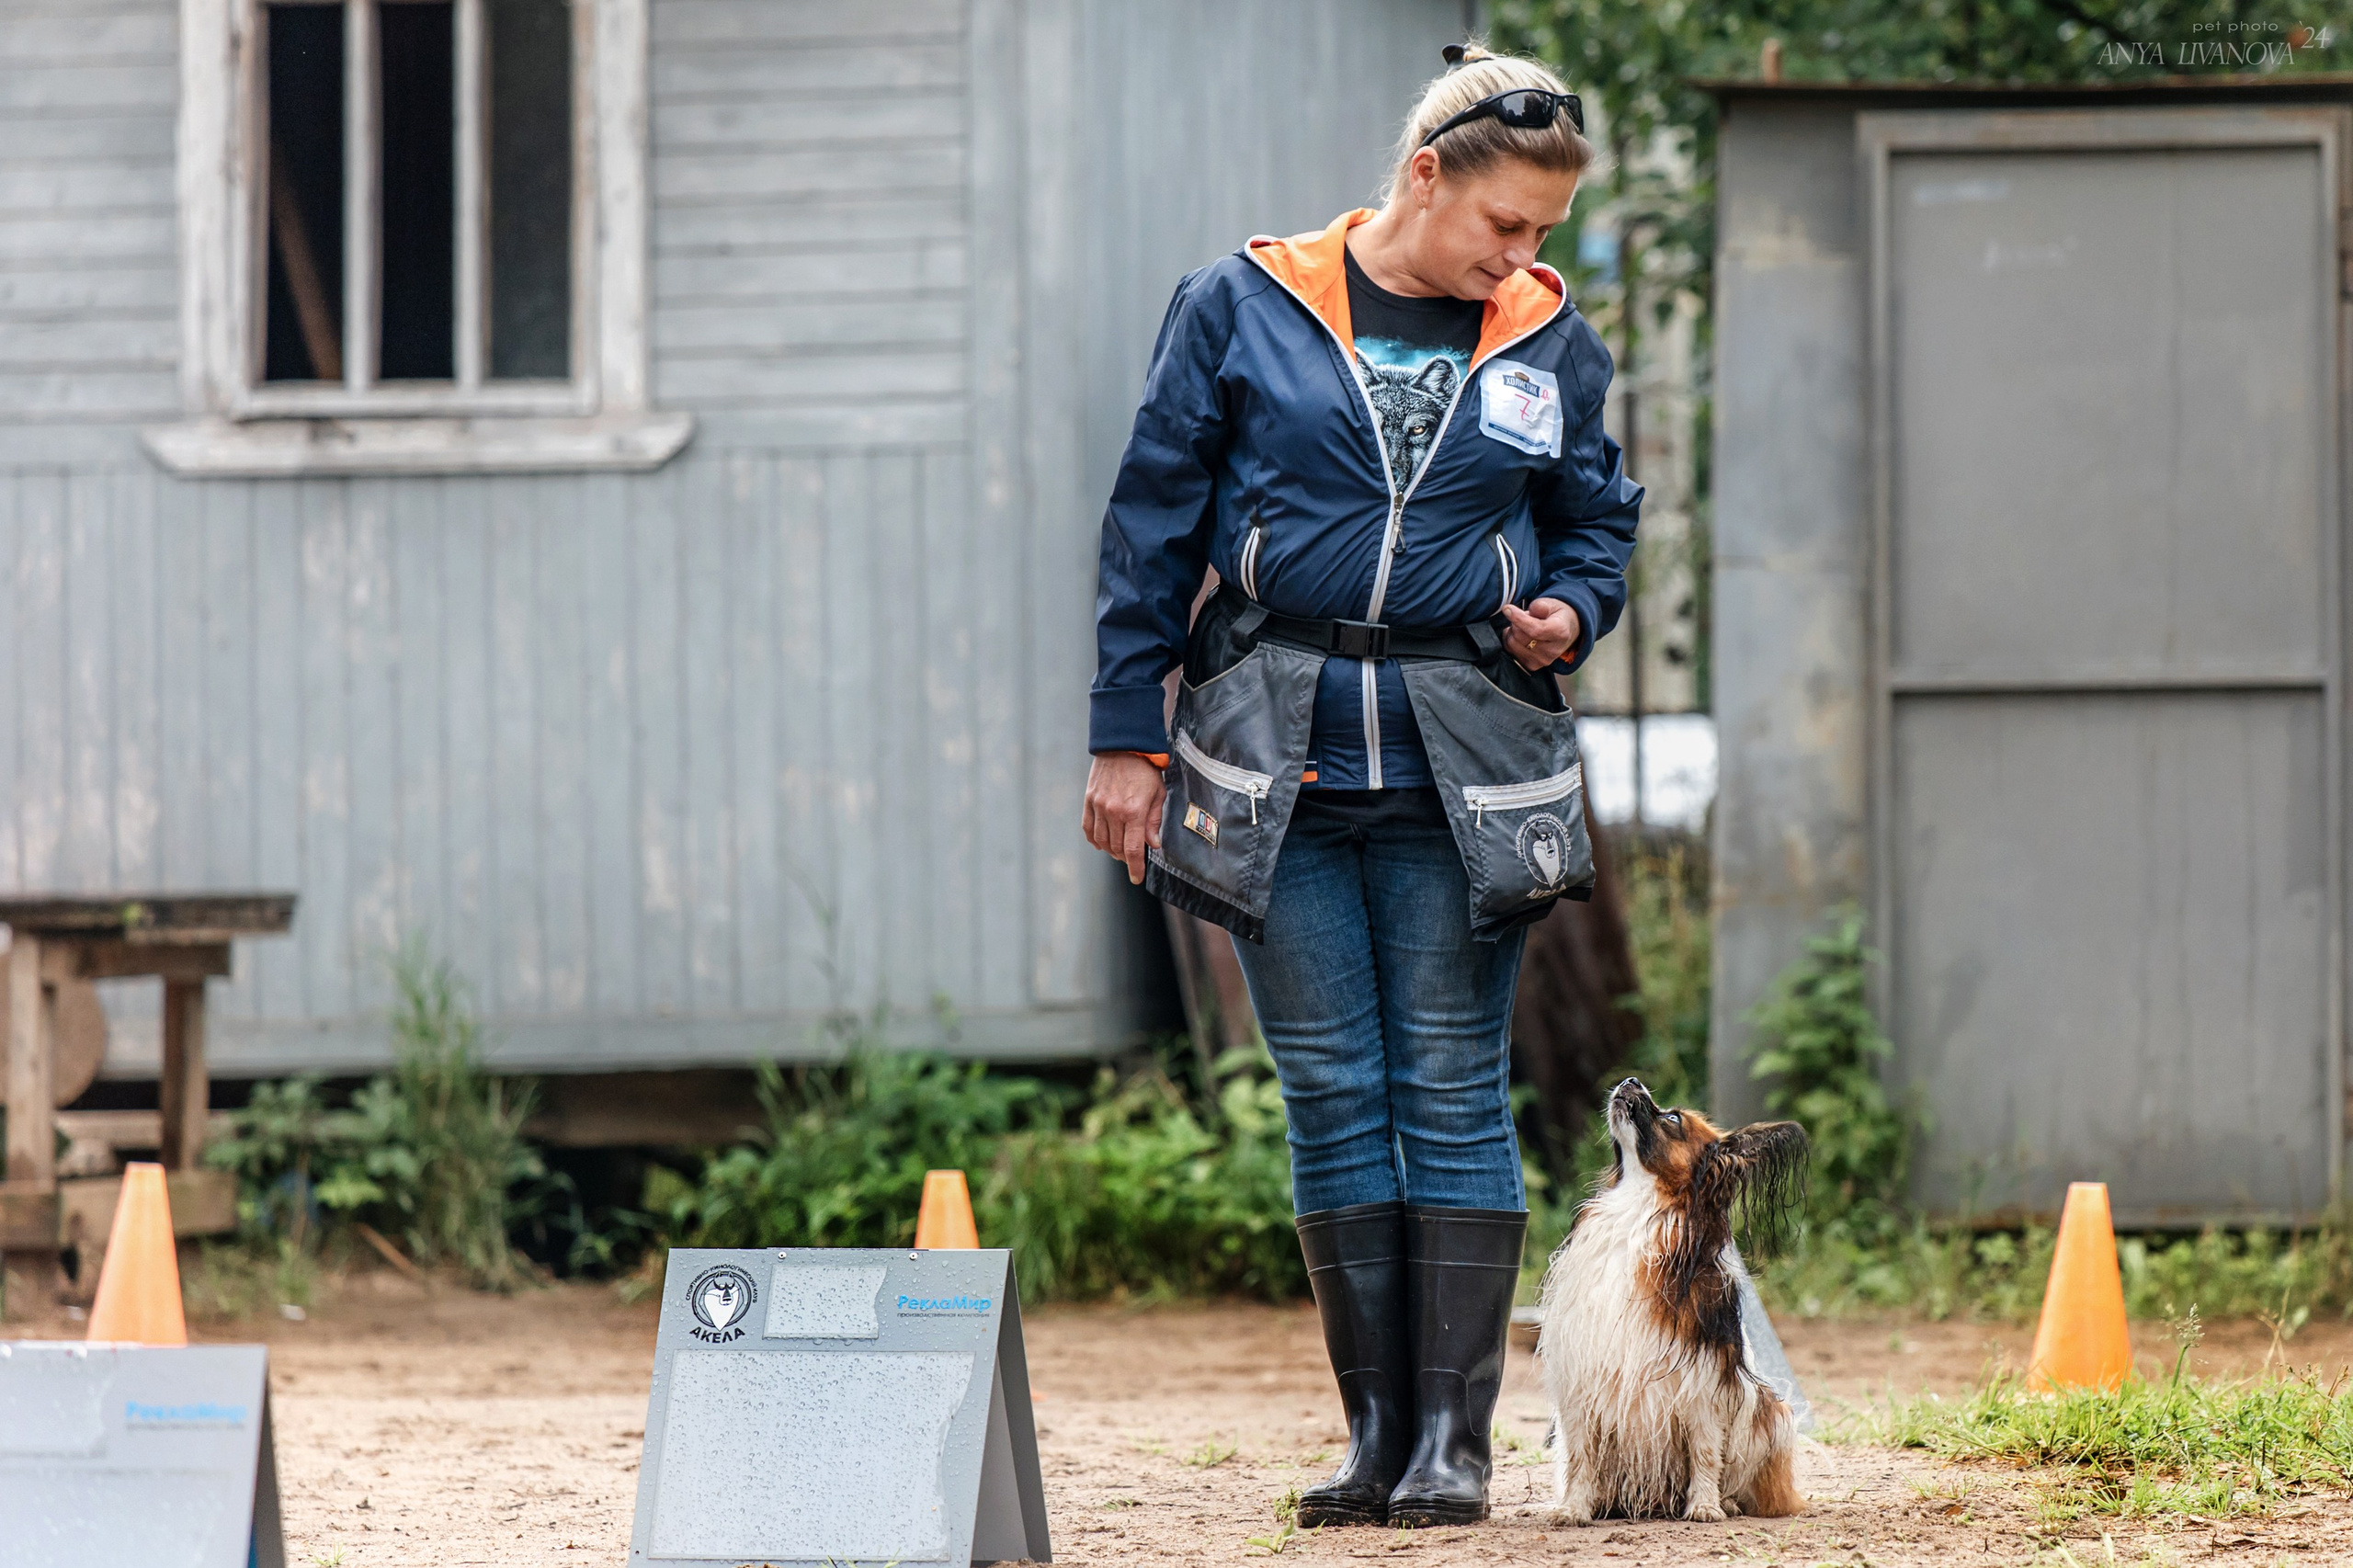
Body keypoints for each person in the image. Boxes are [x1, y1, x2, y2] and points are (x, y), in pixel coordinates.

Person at [1081, 42, 1640, 1528]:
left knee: (1451, 1087)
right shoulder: (1242, 309)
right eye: (1503, 226)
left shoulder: (1547, 342)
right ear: (1424, 179)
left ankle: (1457, 1445)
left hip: (1472, 761)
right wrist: (1126, 735)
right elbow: (1150, 522)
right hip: (1277, 756)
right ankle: (1376, 1438)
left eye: (1540, 236)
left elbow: (1600, 524)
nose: (1521, 258)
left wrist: (1574, 611)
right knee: (1330, 1091)